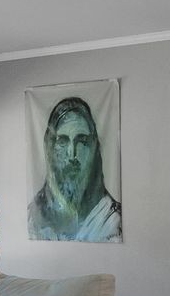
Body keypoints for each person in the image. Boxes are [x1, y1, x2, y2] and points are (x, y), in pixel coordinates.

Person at [28, 96, 122, 242]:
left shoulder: (112, 220)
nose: (72, 154)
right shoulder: (33, 217)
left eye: (82, 141)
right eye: (63, 141)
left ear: (94, 149)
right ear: (50, 148)